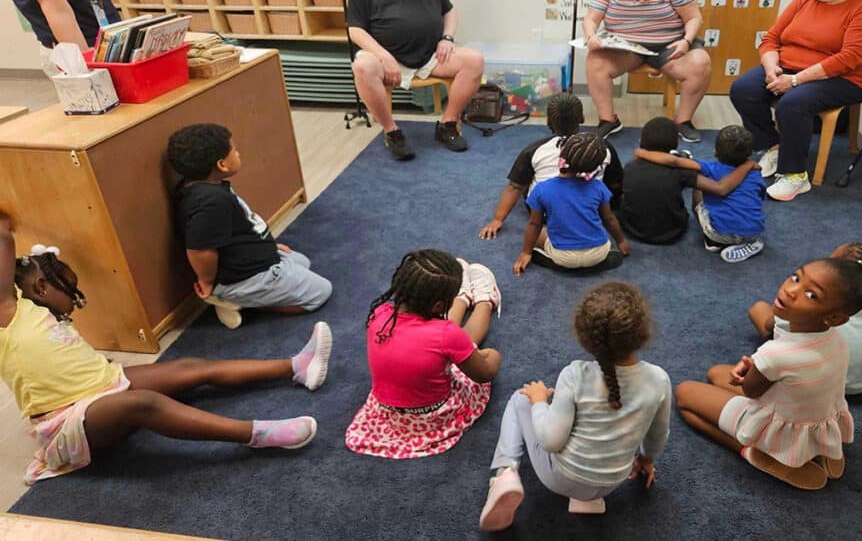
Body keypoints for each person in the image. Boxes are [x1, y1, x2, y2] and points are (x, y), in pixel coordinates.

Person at [0, 211, 331, 484]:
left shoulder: (37, 308)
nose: (75, 300)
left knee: (191, 367)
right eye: (69, 291)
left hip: (104, 383)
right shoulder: (7, 314)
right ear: (42, 286)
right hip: (66, 422)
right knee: (144, 403)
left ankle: (296, 366)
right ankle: (257, 434)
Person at [675, 252, 862, 490]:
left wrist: (752, 371)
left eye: (811, 294)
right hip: (815, 416)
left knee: (684, 394)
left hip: (779, 427)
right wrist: (759, 370)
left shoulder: (776, 355)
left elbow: (751, 391)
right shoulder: (836, 338)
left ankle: (752, 451)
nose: (791, 290)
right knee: (715, 372)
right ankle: (823, 448)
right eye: (796, 278)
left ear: (834, 317)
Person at [478, 282, 670, 531]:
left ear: (587, 339)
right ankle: (588, 499)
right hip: (613, 482)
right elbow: (658, 435)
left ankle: (505, 473)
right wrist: (645, 459)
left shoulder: (575, 374)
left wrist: (537, 402)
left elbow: (551, 441)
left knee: (519, 399)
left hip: (561, 479)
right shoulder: (659, 379)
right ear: (643, 335)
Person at [729, 0, 862, 202]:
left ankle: (794, 175)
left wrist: (793, 81)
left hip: (847, 78)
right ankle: (775, 145)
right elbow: (772, 38)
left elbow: (848, 59)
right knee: (743, 90)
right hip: (791, 66)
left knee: (792, 104)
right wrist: (771, 68)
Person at [347, 0, 484, 160]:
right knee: (362, 66)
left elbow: (449, 10)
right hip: (387, 57)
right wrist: (383, 56)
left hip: (431, 54)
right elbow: (355, 28)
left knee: (474, 60)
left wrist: (447, 38)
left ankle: (448, 124)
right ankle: (392, 132)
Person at [167, 124, 332, 329]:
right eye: (234, 151)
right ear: (222, 165)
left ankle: (253, 294)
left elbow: (239, 230)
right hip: (242, 277)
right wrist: (207, 281)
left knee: (302, 262)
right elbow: (200, 250)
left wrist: (267, 245)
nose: (238, 153)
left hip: (253, 260)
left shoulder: (208, 186)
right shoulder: (209, 202)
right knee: (321, 292)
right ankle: (240, 303)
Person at [346, 249, 503, 459]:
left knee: (442, 334)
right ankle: (484, 301)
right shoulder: (447, 334)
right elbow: (484, 374)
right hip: (432, 415)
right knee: (471, 346)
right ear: (439, 304)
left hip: (387, 414)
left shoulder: (380, 313)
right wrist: (492, 357)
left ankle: (462, 297)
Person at [583, 0, 711, 142]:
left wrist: (686, 41)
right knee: (595, 61)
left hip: (669, 45)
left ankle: (683, 121)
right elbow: (591, 19)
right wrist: (591, 36)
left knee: (701, 62)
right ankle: (608, 121)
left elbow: (694, 18)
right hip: (626, 47)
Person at [749, 243, 862, 395]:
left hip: (815, 386)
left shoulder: (805, 313)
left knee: (759, 309)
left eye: (831, 262)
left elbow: (770, 325)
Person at [479, 93, 623, 240]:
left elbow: (514, 187)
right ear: (582, 118)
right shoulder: (603, 147)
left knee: (525, 182)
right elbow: (616, 184)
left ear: (549, 122)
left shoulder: (534, 150)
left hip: (547, 215)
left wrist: (498, 219)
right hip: (590, 211)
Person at [634, 125, 766, 263]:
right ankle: (748, 241)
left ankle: (716, 241)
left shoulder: (710, 168)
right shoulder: (756, 174)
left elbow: (673, 161)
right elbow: (760, 197)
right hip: (754, 229)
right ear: (750, 154)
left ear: (716, 152)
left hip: (718, 233)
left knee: (696, 177)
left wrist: (640, 153)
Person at [514, 133, 629, 275]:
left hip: (563, 257)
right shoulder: (598, 187)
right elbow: (609, 218)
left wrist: (526, 252)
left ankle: (554, 262)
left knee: (540, 233)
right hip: (599, 253)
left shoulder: (542, 189)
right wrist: (621, 241)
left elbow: (534, 224)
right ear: (596, 166)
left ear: (561, 153)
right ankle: (596, 263)